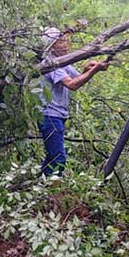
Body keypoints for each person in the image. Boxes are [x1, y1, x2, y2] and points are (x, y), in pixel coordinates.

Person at [38, 27, 109, 177]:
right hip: (49, 115)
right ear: (51, 47)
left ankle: (39, 185)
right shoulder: (50, 64)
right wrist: (95, 70)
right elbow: (72, 84)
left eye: (65, 41)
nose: (65, 44)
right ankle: (50, 189)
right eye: (60, 42)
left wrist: (88, 68)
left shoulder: (62, 63)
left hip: (56, 115)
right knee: (59, 158)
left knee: (53, 155)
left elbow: (77, 78)